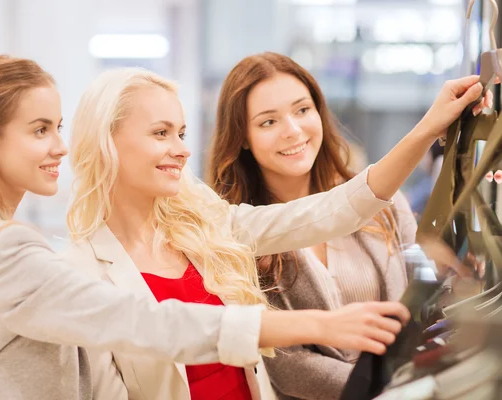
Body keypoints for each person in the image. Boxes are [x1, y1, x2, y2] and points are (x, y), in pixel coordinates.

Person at [0, 55, 410, 400]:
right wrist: (314, 325)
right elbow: (147, 323)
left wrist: (430, 127)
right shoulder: (16, 252)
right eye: (40, 130)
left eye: (57, 128)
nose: (59, 146)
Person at [64, 63, 488, 399]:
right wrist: (323, 328)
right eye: (161, 133)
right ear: (106, 142)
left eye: (181, 132)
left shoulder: (207, 224)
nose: (182, 148)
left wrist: (430, 127)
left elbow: (336, 209)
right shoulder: (78, 273)